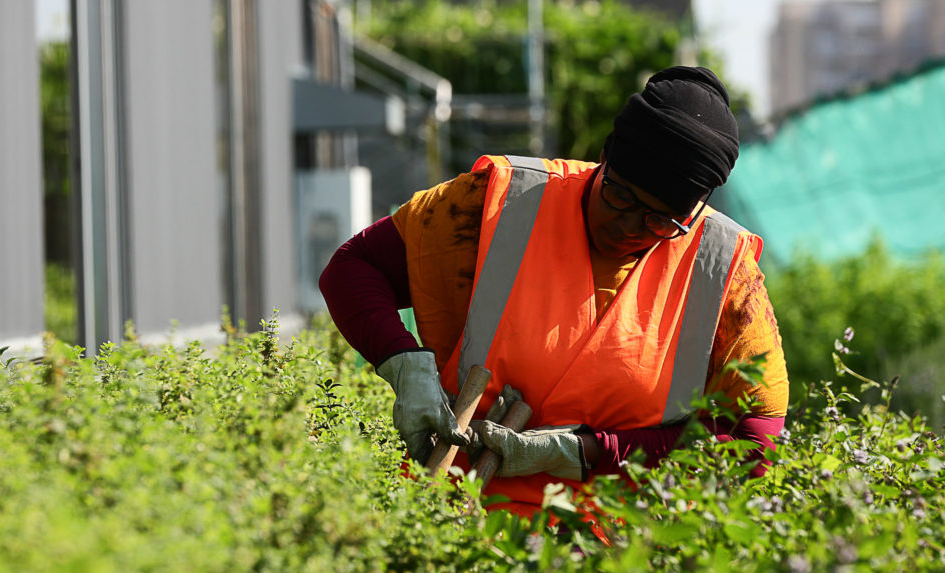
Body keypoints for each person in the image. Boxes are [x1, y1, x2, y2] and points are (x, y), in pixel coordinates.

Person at [319, 66, 789, 522]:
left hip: (611, 560)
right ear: (604, 158)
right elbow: (352, 268)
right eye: (620, 196)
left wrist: (585, 453)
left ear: (694, 211)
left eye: (660, 221)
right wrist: (407, 367)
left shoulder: (724, 275)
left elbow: (752, 441)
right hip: (451, 524)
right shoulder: (504, 203)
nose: (628, 228)